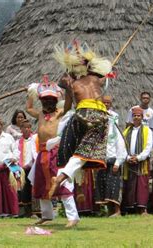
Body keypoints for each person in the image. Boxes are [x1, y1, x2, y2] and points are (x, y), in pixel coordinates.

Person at [52, 40, 113, 215]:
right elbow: (108, 75)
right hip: (99, 116)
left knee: (81, 149)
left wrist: (60, 113)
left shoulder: (72, 85)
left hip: (81, 116)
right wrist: (108, 71)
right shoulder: (95, 79)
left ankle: (71, 181)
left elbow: (67, 107)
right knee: (85, 151)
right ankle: (64, 176)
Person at [26, 77, 79, 228]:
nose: (48, 102)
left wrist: (68, 90)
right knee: (42, 185)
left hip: (56, 152)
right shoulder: (41, 115)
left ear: (55, 101)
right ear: (41, 101)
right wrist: (30, 92)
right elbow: (29, 108)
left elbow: (69, 105)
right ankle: (47, 216)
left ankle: (73, 217)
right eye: (45, 100)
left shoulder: (60, 113)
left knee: (61, 183)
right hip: (42, 154)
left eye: (51, 99)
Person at [94, 95, 127, 217]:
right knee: (104, 185)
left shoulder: (116, 132)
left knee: (114, 185)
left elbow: (121, 147)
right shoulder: (98, 134)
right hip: (102, 160)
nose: (106, 104)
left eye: (108, 102)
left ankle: (117, 211)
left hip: (113, 160)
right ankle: (109, 211)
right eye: (104, 102)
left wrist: (118, 162)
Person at [121, 107, 153, 215]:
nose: (136, 118)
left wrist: (138, 157)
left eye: (138, 116)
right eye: (134, 116)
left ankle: (143, 209)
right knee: (130, 185)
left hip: (142, 163)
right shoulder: (126, 131)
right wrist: (128, 158)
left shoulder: (147, 130)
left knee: (142, 185)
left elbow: (148, 147)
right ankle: (131, 208)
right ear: (132, 117)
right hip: (129, 162)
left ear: (142, 117)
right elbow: (122, 147)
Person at [17, 120, 37, 217]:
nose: (27, 129)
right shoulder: (18, 142)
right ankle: (27, 211)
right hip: (22, 168)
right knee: (24, 189)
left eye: (28, 127)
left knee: (33, 188)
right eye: (24, 127)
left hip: (33, 167)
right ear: (21, 129)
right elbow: (16, 154)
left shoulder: (34, 139)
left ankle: (36, 211)